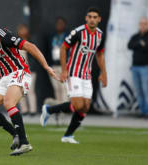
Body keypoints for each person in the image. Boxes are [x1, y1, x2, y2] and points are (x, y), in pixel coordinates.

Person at [0, 7, 59, 156]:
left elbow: (30, 46)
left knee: (9, 102)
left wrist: (46, 66)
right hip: (6, 77)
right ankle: (15, 134)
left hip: (20, 72)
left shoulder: (4, 35)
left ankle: (25, 143)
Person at [40, 7, 107, 144]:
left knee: (85, 107)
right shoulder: (78, 32)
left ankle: (67, 135)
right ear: (86, 18)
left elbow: (99, 54)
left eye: (95, 17)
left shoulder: (100, 34)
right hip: (74, 72)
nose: (92, 19)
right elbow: (64, 47)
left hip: (86, 74)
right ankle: (49, 110)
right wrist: (64, 70)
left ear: (99, 19)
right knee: (77, 105)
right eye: (90, 16)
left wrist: (103, 73)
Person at [128, 17, 148, 117]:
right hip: (135, 67)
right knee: (138, 91)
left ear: (147, 25)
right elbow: (129, 45)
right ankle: (142, 111)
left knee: (147, 91)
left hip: (146, 68)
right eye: (141, 24)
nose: (142, 26)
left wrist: (140, 45)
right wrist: (140, 44)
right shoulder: (136, 36)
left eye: (144, 24)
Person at [45, 17, 69, 104]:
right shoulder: (52, 36)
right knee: (56, 87)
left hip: (64, 65)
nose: (59, 25)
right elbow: (48, 50)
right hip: (53, 65)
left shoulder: (68, 36)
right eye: (58, 23)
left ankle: (65, 106)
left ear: (65, 25)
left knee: (64, 87)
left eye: (61, 24)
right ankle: (59, 107)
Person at [16, 24, 37, 116]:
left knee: (30, 90)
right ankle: (24, 110)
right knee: (20, 90)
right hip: (19, 71)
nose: (22, 31)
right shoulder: (15, 43)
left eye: (24, 29)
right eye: (21, 29)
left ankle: (33, 110)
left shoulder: (30, 43)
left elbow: (35, 57)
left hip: (30, 70)